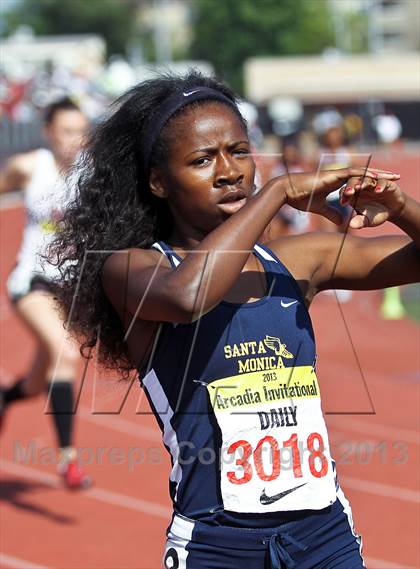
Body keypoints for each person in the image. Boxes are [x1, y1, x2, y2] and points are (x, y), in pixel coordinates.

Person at [48, 72, 419, 568]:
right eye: (202, 160)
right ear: (159, 182)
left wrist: (399, 206)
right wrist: (279, 191)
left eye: (239, 152)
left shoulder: (295, 260)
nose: (229, 172)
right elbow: (189, 296)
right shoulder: (134, 268)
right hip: (217, 546)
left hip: (324, 537)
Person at [0, 97, 91, 489]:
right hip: (30, 284)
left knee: (39, 382)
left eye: (82, 131)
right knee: (66, 353)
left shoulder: (92, 174)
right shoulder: (28, 166)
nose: (76, 139)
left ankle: (5, 398)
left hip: (67, 291)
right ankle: (68, 461)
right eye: (68, 131)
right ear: (49, 132)